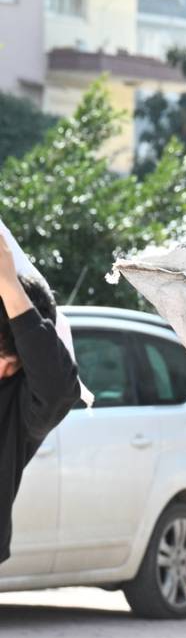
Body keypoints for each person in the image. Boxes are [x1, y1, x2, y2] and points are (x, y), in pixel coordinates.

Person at [0, 231, 81, 566]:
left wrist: (9, 286)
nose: (3, 368)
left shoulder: (21, 405)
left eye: (12, 361)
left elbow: (58, 389)